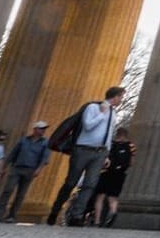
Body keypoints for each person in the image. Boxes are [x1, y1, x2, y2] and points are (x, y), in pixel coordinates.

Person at [49, 86, 125, 226]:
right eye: (121, 97)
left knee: (90, 185)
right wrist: (101, 114)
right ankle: (55, 209)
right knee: (71, 183)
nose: (121, 100)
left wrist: (107, 154)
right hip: (83, 149)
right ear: (114, 96)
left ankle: (77, 216)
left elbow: (108, 135)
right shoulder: (92, 108)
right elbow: (88, 126)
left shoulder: (113, 113)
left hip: (100, 153)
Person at [90, 128, 135, 228]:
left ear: (117, 134)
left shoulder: (110, 143)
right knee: (113, 197)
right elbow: (131, 162)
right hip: (120, 174)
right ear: (126, 135)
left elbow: (104, 157)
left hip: (106, 172)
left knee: (100, 197)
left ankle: (97, 221)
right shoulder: (131, 146)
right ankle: (113, 213)